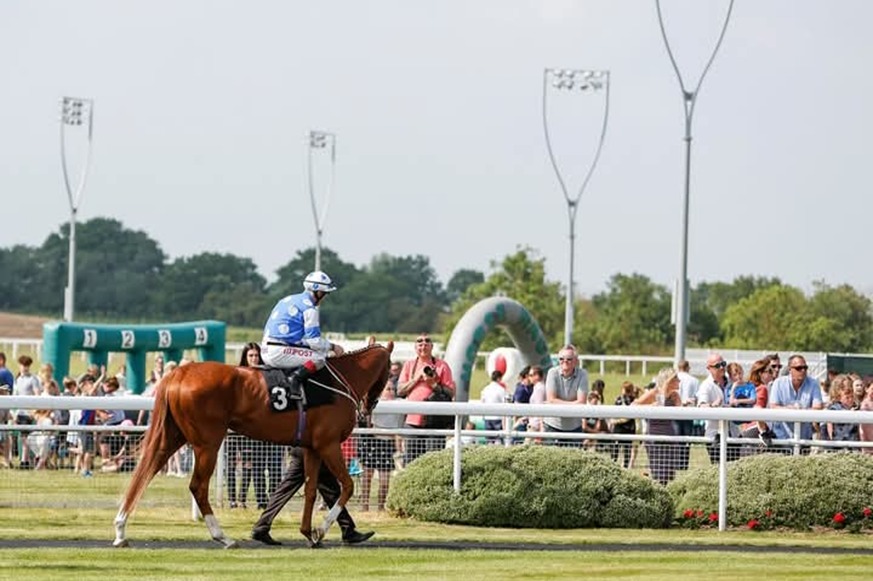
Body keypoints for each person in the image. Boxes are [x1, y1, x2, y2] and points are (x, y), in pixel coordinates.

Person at [250, 446, 374, 546]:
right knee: (331, 490)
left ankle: (262, 526)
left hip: (301, 449)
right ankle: (348, 530)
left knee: (285, 489)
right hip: (313, 451)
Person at [260, 270, 345, 402]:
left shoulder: (287, 299)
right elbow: (314, 342)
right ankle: (295, 379)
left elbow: (301, 340)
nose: (324, 297)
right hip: (278, 351)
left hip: (266, 349)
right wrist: (333, 347)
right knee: (319, 358)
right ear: (318, 292)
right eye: (324, 293)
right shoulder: (309, 308)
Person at [397, 334, 456, 465]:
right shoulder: (409, 365)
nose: (423, 345)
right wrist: (416, 378)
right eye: (419, 342)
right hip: (412, 421)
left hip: (435, 421)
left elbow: (450, 393)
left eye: (427, 342)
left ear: (432, 346)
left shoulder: (442, 366)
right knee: (411, 462)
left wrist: (433, 384)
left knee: (434, 462)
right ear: (415, 347)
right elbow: (400, 391)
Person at [633, 367, 681, 485]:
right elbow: (634, 405)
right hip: (654, 437)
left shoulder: (675, 396)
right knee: (658, 474)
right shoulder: (655, 392)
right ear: (668, 381)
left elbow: (681, 412)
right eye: (676, 379)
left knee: (668, 475)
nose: (679, 381)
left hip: (670, 437)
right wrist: (650, 407)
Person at [768, 354, 823, 452]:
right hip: (780, 438)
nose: (803, 370)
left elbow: (818, 408)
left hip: (805, 438)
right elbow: (773, 407)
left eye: (805, 368)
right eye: (799, 368)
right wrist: (791, 410)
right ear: (790, 370)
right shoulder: (778, 383)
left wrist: (799, 411)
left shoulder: (814, 383)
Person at [543, 345, 588, 447]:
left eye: (569, 359)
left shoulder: (582, 374)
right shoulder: (552, 372)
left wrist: (557, 402)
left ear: (576, 361)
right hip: (552, 426)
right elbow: (551, 399)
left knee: (575, 461)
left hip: (574, 427)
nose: (564, 361)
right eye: (561, 359)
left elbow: (582, 402)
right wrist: (573, 403)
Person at [696, 353, 729, 464]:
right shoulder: (706, 385)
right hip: (714, 436)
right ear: (708, 368)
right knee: (718, 470)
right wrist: (713, 405)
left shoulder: (732, 382)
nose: (721, 367)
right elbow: (702, 405)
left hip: (733, 434)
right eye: (717, 365)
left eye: (723, 364)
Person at [480, 369, 508, 443]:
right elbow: (505, 403)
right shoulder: (501, 390)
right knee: (499, 440)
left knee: (489, 441)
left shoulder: (485, 389)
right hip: (498, 418)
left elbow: (482, 402)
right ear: (499, 378)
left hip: (487, 417)